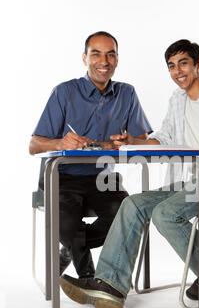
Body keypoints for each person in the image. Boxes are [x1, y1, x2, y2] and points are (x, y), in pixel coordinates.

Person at [60, 39, 199, 308]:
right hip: (190, 182)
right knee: (133, 204)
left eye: (183, 63)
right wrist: (134, 140)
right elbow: (166, 137)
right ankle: (110, 285)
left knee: (165, 213)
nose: (177, 71)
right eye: (171, 66)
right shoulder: (177, 100)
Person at [29, 31, 152, 279]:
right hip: (62, 176)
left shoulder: (127, 94)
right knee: (64, 227)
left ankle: (73, 248)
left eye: (110, 54)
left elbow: (143, 141)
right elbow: (33, 145)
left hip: (102, 178)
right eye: (96, 54)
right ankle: (88, 278)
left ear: (117, 59)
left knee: (129, 217)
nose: (103, 61)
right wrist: (60, 141)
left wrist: (130, 142)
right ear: (85, 58)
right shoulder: (63, 92)